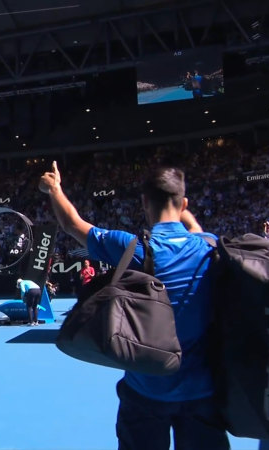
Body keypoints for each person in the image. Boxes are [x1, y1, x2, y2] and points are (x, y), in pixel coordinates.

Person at [39, 161, 228, 450]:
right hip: (200, 394)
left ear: (143, 203)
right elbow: (196, 229)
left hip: (145, 393)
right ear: (183, 203)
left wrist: (54, 189)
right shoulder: (209, 246)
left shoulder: (131, 246)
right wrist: (182, 211)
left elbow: (71, 224)